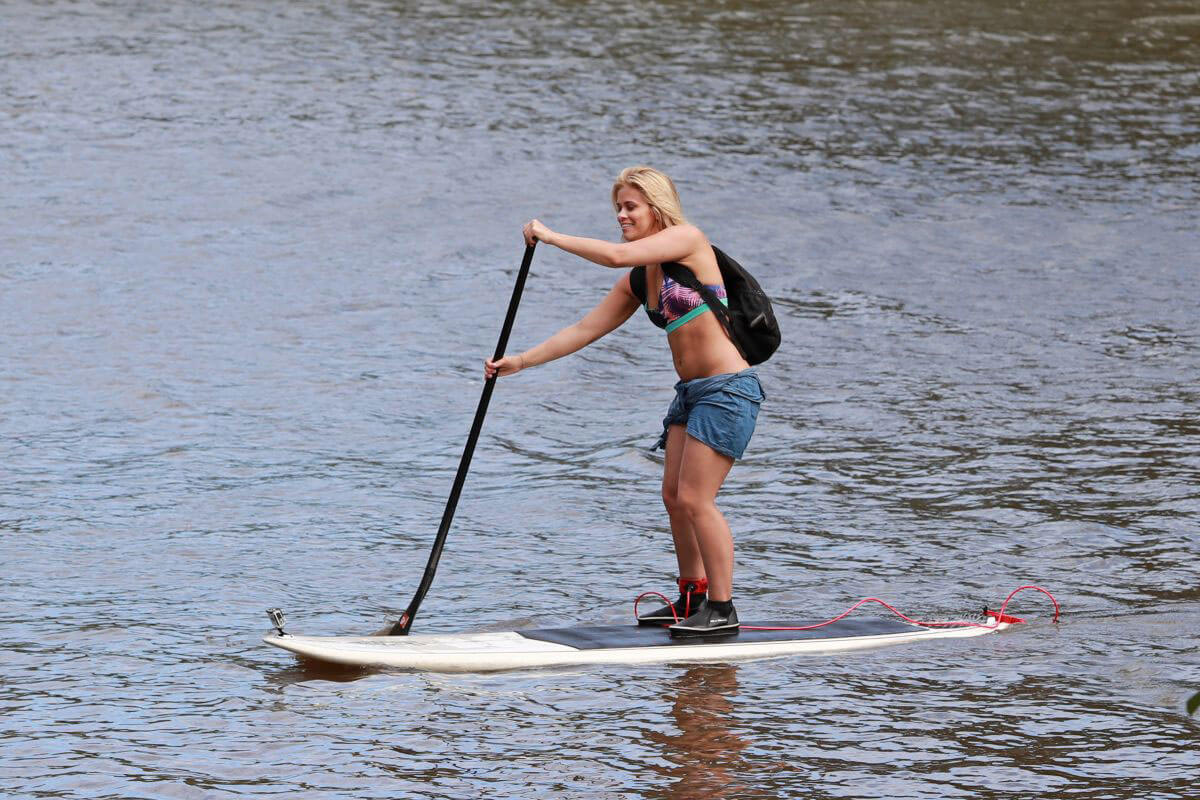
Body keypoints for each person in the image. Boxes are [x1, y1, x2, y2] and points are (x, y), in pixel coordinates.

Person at [484, 166, 765, 637]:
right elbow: (585, 329)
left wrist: (550, 237)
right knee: (674, 497)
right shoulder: (642, 278)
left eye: (630, 206)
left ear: (656, 209)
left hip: (727, 390)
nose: (621, 215)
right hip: (691, 394)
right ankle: (692, 596)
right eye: (618, 207)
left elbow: (615, 255)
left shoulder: (689, 241)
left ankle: (722, 608)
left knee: (697, 499)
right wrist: (522, 361)